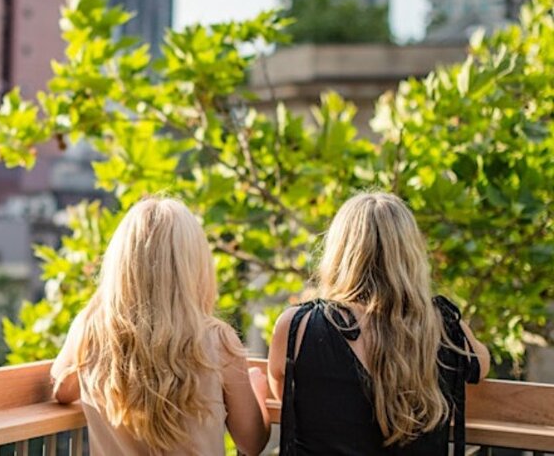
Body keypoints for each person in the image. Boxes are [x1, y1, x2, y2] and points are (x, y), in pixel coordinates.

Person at [267, 192, 491, 455]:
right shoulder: (445, 328)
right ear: (410, 255)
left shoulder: (296, 327)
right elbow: (481, 365)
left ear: (339, 253)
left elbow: (285, 394)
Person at [51, 197, 270, 456]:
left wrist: (103, 301)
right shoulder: (217, 340)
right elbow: (252, 442)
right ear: (194, 265)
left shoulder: (92, 330)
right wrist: (258, 387)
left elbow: (61, 389)